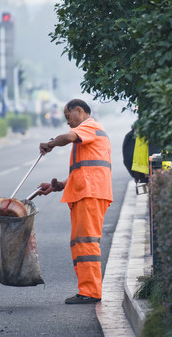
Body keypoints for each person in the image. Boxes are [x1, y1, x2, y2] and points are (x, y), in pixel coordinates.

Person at [38, 98, 113, 304]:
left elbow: (68, 137)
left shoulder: (90, 126)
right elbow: (84, 170)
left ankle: (90, 291)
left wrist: (51, 143)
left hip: (91, 194)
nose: (68, 121)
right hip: (87, 193)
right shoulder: (91, 132)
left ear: (79, 111)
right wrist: (58, 185)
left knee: (86, 242)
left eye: (68, 116)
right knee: (81, 243)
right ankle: (88, 289)